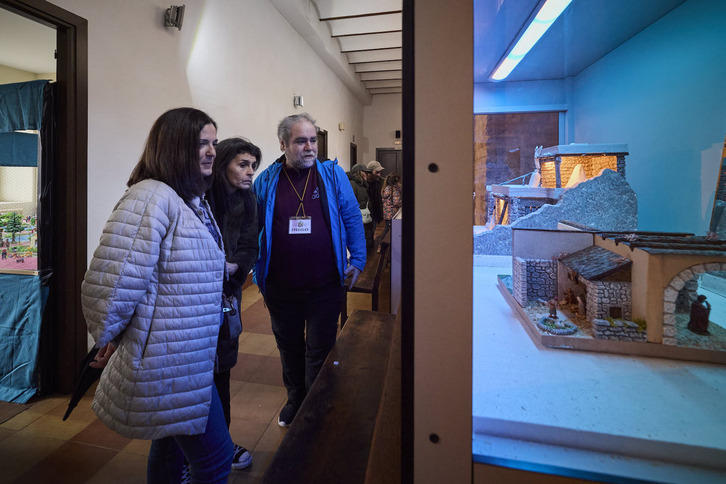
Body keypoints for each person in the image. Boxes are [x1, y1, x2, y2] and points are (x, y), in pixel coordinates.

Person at [81, 107, 233, 484]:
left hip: (185, 354)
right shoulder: (151, 197)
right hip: (168, 359)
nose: (212, 151)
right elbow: (111, 284)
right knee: (215, 460)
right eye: (201, 144)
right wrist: (110, 336)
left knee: (169, 449)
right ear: (174, 147)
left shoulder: (187, 200)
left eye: (214, 143)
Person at [253, 113, 366, 427]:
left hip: (325, 284)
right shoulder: (266, 180)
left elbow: (352, 217)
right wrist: (252, 266)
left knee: (320, 347)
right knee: (289, 347)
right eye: (301, 141)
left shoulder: (332, 175)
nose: (309, 147)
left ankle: (315, 403)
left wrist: (357, 259)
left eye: (313, 140)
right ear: (284, 144)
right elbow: (253, 225)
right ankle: (295, 398)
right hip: (280, 286)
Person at [205, 137, 260, 472]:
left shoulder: (248, 198)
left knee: (223, 367)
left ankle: (221, 442)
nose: (250, 171)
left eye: (253, 165)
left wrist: (236, 267)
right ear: (223, 163)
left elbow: (250, 243)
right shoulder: (199, 197)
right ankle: (193, 450)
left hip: (228, 294)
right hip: (193, 297)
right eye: (242, 164)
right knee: (193, 373)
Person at [348, 163, 374, 250]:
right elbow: (351, 202)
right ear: (359, 172)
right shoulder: (353, 184)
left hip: (364, 217)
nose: (367, 174)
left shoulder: (362, 185)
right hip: (358, 218)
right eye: (365, 172)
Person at [377, 171, 402, 250]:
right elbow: (396, 202)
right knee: (388, 231)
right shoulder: (394, 190)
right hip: (393, 213)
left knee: (387, 228)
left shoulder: (385, 188)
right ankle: (382, 246)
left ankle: (381, 246)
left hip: (386, 213)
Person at [365, 160, 385, 230]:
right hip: (365, 215)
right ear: (369, 172)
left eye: (380, 172)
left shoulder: (379, 182)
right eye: (377, 172)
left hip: (375, 214)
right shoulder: (362, 184)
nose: (379, 174)